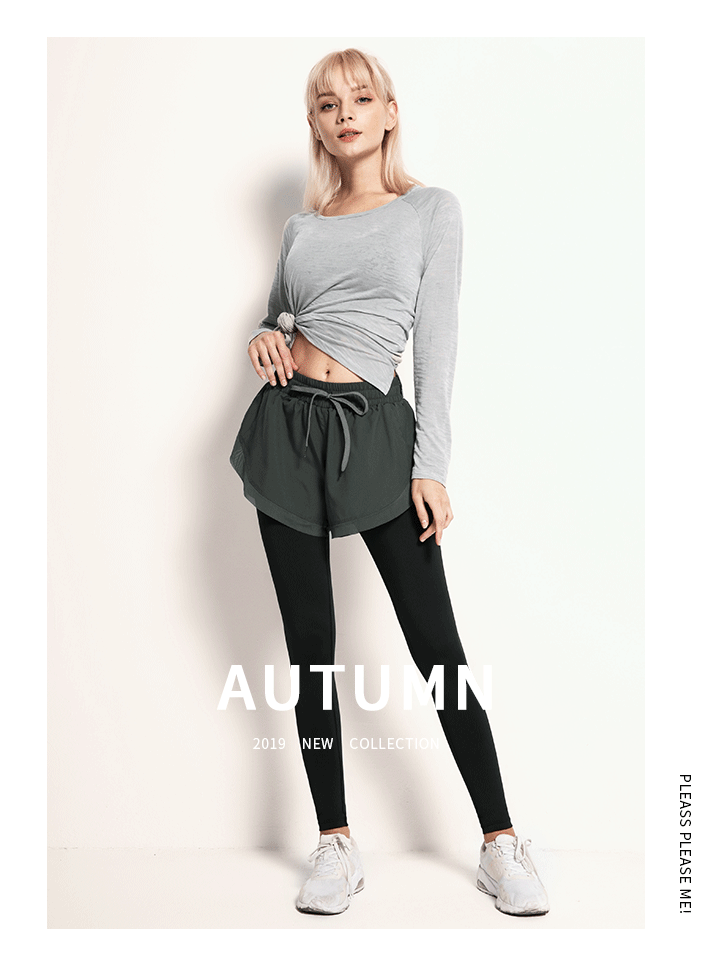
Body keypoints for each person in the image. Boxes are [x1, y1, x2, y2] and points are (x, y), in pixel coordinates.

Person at [230, 48, 549, 918]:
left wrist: (430, 465)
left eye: (360, 98)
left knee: (437, 647)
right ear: (315, 123)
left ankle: (499, 840)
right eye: (328, 103)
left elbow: (437, 343)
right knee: (310, 650)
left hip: (376, 436)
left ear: (389, 110)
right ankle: (334, 839)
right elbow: (279, 315)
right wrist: (264, 334)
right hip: (285, 433)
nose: (346, 114)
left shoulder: (430, 211)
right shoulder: (303, 225)